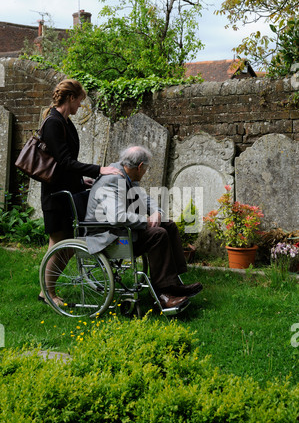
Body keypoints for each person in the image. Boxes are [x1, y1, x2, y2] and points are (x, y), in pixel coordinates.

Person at [85, 145, 203, 309]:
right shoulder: (112, 180)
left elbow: (144, 199)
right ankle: (163, 294)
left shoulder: (126, 174)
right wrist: (146, 221)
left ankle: (173, 284)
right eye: (146, 169)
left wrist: (157, 212)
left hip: (121, 231)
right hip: (108, 237)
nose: (145, 172)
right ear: (140, 166)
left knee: (168, 225)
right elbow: (117, 217)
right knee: (158, 234)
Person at [39, 78, 120, 306]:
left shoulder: (65, 122)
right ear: (71, 98)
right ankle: (48, 294)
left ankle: (48, 290)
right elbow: (64, 161)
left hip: (67, 190)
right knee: (58, 244)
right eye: (79, 102)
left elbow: (66, 162)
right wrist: (98, 169)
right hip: (56, 195)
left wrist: (81, 179)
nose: (80, 107)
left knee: (70, 244)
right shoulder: (53, 123)